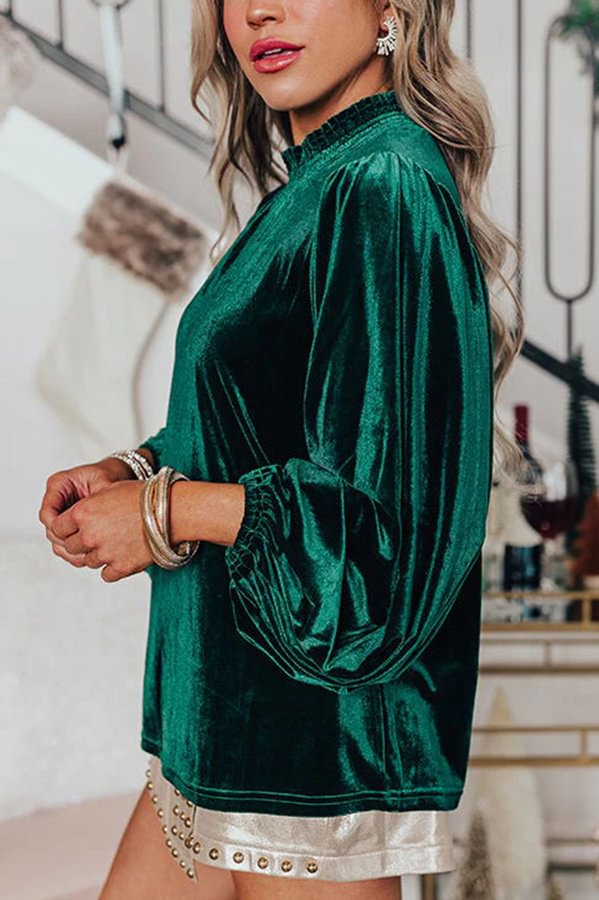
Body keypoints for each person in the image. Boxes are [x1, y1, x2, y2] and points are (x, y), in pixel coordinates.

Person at [38, 1, 525, 898]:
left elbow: (389, 542)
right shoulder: (318, 182)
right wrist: (134, 471)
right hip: (221, 729)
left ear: (389, 7)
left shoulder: (381, 180)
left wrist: (164, 511)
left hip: (307, 761)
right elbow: (272, 423)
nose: (260, 9)